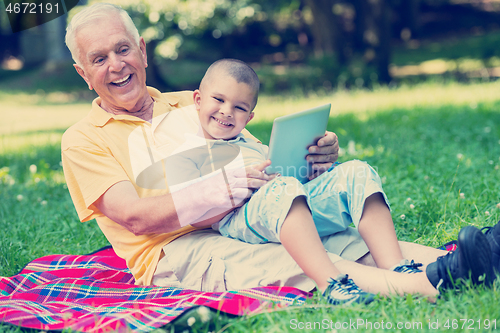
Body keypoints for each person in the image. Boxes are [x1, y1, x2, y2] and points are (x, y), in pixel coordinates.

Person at [61, 2, 496, 307]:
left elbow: (258, 159)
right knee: (300, 257)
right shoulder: (82, 140)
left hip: (251, 211)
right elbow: (137, 217)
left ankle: (473, 257)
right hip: (178, 248)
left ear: (142, 51)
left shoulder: (194, 101)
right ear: (84, 74)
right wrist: (228, 187)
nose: (116, 65)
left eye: (122, 49)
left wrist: (310, 157)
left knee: (339, 237)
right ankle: (434, 285)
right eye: (99, 59)